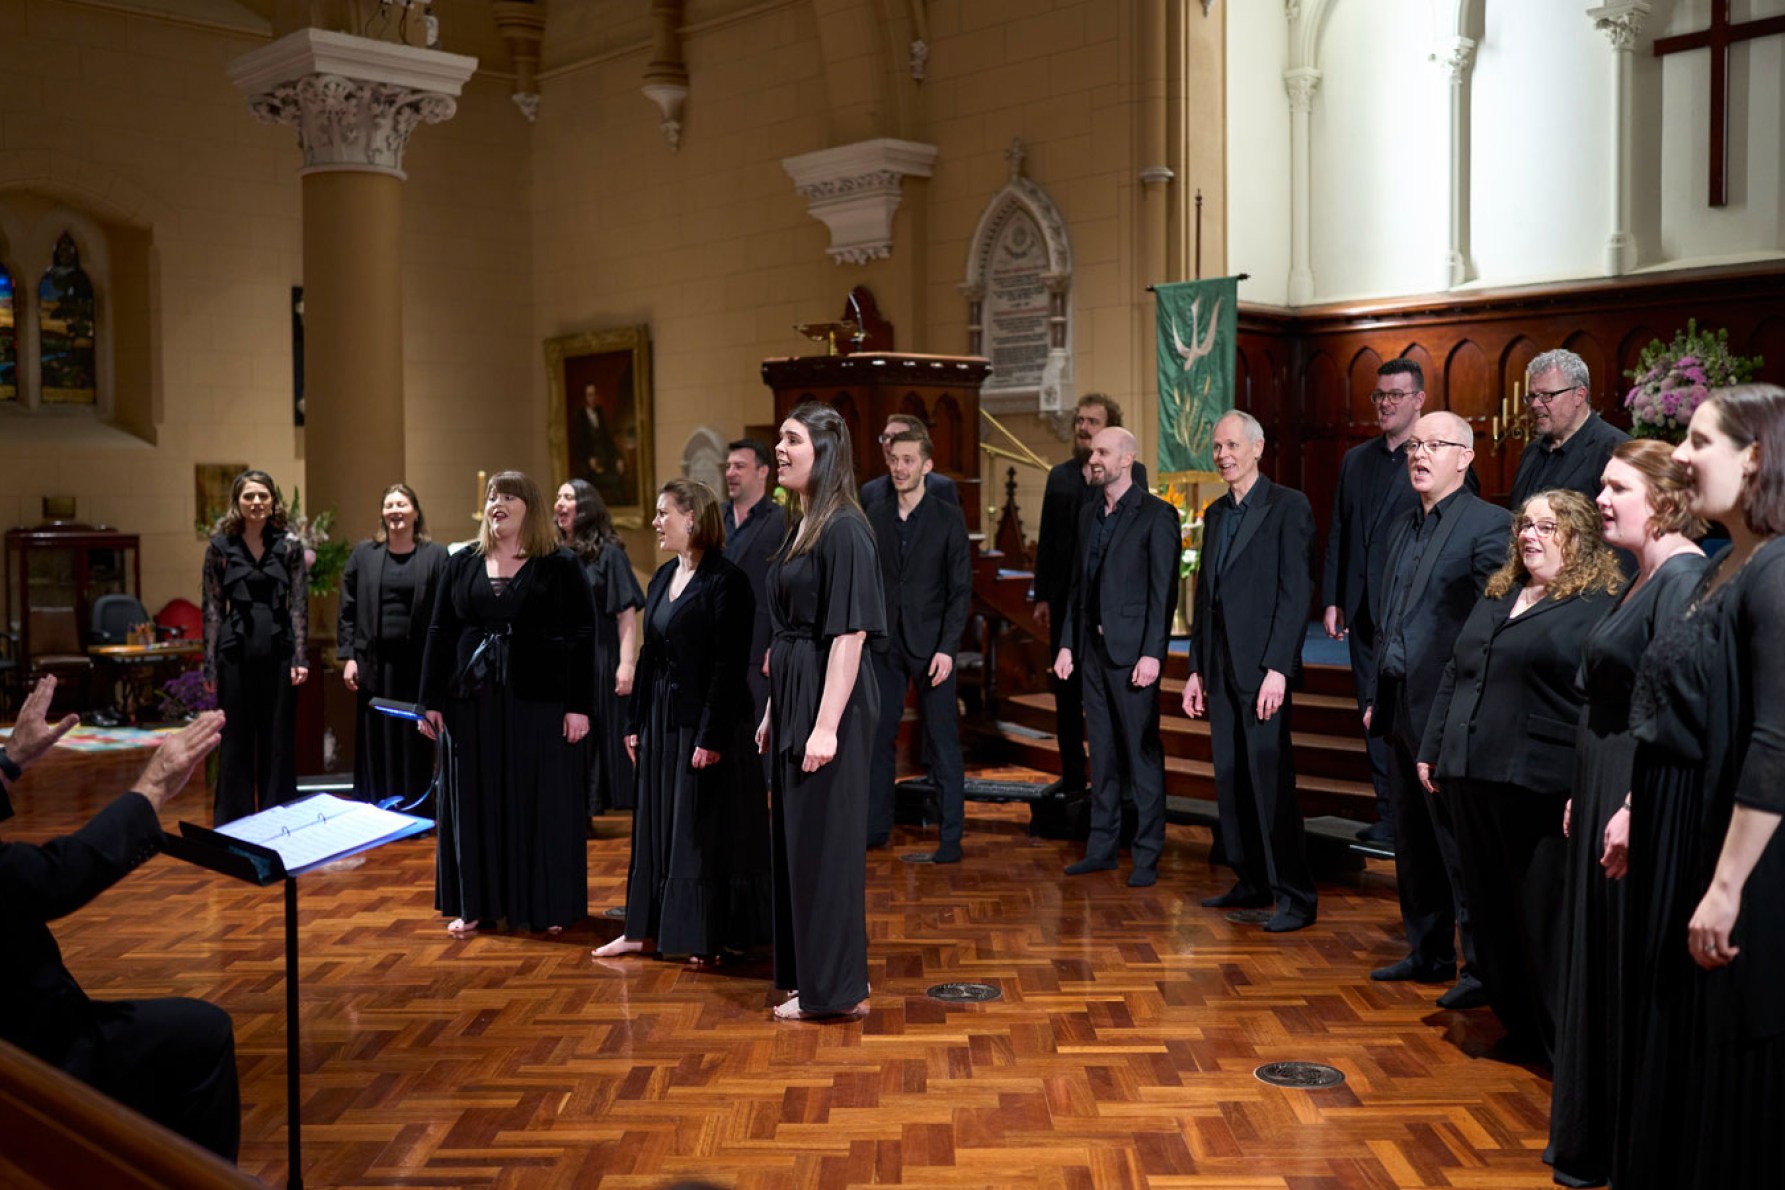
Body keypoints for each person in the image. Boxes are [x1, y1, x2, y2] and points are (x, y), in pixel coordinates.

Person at [1618, 384, 1785, 1190]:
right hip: (1679, 832)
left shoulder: (1777, 573)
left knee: (1726, 1064)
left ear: (1756, 455)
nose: (1679, 456)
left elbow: (1775, 742)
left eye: (1696, 440)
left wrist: (1724, 889)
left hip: (1733, 857)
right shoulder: (1728, 563)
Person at [1547, 441, 1706, 1188]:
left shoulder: (1680, 577)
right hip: (1602, 776)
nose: (1601, 499)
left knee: (1622, 963)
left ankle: (1621, 1144)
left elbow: (1675, 705)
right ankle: (1593, 1137)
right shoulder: (1638, 573)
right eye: (1600, 486)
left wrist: (1634, 805)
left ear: (1665, 498)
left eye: (1617, 488)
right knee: (1594, 958)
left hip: (1633, 785)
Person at [1417, 489, 1622, 1064]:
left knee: (1542, 916)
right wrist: (1433, 746)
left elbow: (1599, 702)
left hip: (1539, 781)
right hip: (1471, 772)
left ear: (1577, 535)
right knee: (1490, 910)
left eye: (1546, 526)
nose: (1529, 535)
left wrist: (1586, 783)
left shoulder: (1597, 602)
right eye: (1525, 525)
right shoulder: (1500, 591)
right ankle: (1521, 1025)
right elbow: (1457, 670)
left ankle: (1562, 1045)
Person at [0, 677, 239, 1161]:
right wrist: (150, 788)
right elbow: (54, 879)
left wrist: (10, 761)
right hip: (28, 1055)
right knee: (202, 1036)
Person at [1364, 411, 1510, 1007]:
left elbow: (1488, 630)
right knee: (1413, 839)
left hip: (1449, 710)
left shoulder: (1489, 526)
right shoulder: (1403, 525)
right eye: (1414, 445)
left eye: (1435, 445)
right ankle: (1428, 951)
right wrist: (1379, 695)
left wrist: (1461, 710)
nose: (1419, 454)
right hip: (1400, 702)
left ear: (1466, 456)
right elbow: (1391, 618)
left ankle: (1480, 970)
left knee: (1456, 844)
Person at [593, 480, 773, 964]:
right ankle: (641, 929)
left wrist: (711, 736)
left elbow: (728, 667)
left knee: (697, 831)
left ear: (691, 518)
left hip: (706, 724)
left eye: (662, 513)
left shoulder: (726, 581)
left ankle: (701, 935)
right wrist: (634, 722)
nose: (655, 523)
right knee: (656, 825)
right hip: (662, 719)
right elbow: (651, 656)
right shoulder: (662, 577)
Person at [419, 470, 595, 937]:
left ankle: (546, 905)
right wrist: (428, 702)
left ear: (529, 507)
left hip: (537, 701)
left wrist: (579, 706)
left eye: (509, 496)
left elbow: (582, 636)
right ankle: (476, 903)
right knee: (475, 800)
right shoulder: (461, 563)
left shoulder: (559, 564)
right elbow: (439, 633)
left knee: (538, 801)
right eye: (494, 496)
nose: (498, 503)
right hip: (470, 703)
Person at [755, 401, 886, 1021]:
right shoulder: (803, 524)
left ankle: (836, 991)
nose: (779, 449)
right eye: (779, 439)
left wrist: (826, 725)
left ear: (825, 452)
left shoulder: (845, 530)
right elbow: (791, 634)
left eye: (792, 440)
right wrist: (777, 710)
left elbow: (848, 636)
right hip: (800, 696)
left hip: (832, 704)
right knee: (801, 846)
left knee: (827, 849)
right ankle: (818, 979)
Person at [1183, 410, 1318, 931]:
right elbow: (1206, 599)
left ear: (1258, 449)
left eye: (1232, 446)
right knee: (1231, 780)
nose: (1223, 455)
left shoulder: (1288, 507)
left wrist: (1278, 669)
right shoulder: (1215, 513)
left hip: (1263, 672)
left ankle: (1295, 896)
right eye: (1217, 447)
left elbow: (1295, 593)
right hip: (1218, 670)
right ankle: (1251, 879)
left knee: (1270, 784)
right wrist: (1195, 669)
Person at [1052, 426, 1178, 888]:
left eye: (1103, 452)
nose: (1094, 458)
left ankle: (1147, 854)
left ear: (1127, 459)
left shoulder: (1157, 515)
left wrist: (1153, 654)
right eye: (1092, 451)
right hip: (1091, 653)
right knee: (1101, 756)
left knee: (1142, 758)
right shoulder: (1088, 515)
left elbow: (1163, 594)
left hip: (1133, 658)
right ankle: (1101, 849)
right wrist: (1067, 642)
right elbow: (1076, 588)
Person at [1321, 360, 1427, 844]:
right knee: (1369, 713)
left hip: (1409, 615)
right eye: (1379, 395)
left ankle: (1412, 818)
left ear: (1418, 400)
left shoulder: (1433, 457)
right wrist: (1334, 598)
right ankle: (1386, 813)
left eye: (1396, 395)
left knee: (1407, 718)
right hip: (1363, 611)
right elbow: (1340, 532)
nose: (1386, 403)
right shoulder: (1356, 459)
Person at [1030, 394, 1148, 798]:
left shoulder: (1132, 473)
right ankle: (1074, 775)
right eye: (1079, 420)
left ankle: (1118, 780)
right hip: (1068, 602)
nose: (1083, 427)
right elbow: (1047, 540)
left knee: (1112, 699)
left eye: (1092, 421)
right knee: (1066, 695)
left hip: (1112, 608)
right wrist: (1042, 595)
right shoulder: (1060, 475)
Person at [866, 426, 971, 860]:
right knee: (877, 739)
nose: (899, 467)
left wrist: (947, 647)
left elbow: (959, 590)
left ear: (927, 466)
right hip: (884, 644)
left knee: (943, 741)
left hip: (933, 648)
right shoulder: (873, 513)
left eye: (909, 460)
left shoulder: (947, 517)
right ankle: (874, 831)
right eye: (894, 459)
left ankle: (950, 839)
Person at [202, 468, 308, 825]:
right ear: (237, 502)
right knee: (236, 738)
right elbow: (213, 608)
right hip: (234, 651)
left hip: (279, 648)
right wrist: (209, 665)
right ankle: (235, 820)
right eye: (249, 496)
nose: (257, 502)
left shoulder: (290, 545)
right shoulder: (220, 547)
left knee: (278, 736)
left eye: (263, 495)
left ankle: (279, 818)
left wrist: (300, 656)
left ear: (273, 501)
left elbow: (298, 605)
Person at [337, 483, 449, 805]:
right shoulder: (364, 554)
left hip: (419, 664)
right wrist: (349, 657)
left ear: (416, 512)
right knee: (377, 736)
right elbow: (347, 608)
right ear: (382, 514)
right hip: (374, 662)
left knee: (415, 737)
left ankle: (416, 805)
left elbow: (446, 611)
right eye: (389, 505)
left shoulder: (436, 556)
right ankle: (377, 805)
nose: (395, 511)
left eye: (402, 504)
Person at [554, 479, 644, 816]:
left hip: (600, 655)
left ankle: (592, 805)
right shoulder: (552, 552)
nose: (559, 504)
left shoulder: (609, 553)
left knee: (596, 737)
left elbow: (626, 616)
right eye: (558, 498)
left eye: (568, 498)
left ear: (587, 506)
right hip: (561, 660)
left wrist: (627, 664)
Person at [721, 438, 789, 727]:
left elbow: (788, 589)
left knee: (755, 746)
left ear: (762, 471)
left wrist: (778, 642)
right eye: (728, 467)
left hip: (758, 649)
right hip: (716, 649)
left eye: (739, 466)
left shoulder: (782, 520)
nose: (730, 473)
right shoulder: (714, 517)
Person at [1510, 348, 1629, 507]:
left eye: (1547, 395)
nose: (1535, 404)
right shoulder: (1532, 452)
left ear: (1579, 396)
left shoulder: (1614, 449)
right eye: (1532, 396)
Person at [859, 411, 960, 508]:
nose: (887, 442)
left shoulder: (941, 488)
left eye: (897, 437)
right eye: (885, 437)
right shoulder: (869, 491)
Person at [570, 381, 626, 507]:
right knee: (612, 481)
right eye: (590, 395)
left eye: (594, 394)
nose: (592, 398)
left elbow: (607, 439)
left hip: (606, 460)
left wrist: (618, 458)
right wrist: (588, 459)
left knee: (619, 479)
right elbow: (579, 443)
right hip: (589, 467)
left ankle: (622, 509)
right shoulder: (580, 416)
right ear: (585, 397)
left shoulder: (599, 413)